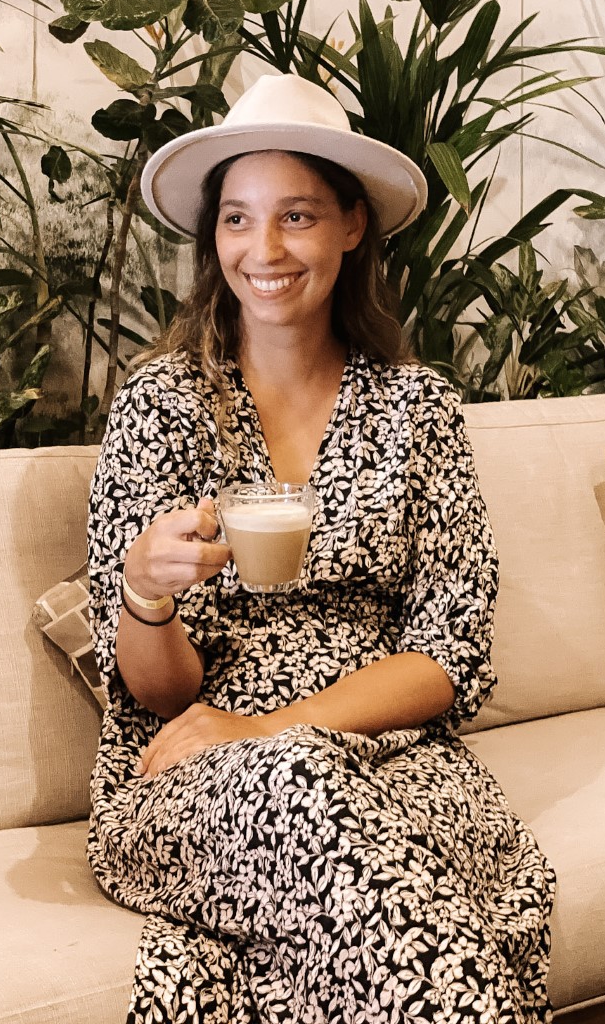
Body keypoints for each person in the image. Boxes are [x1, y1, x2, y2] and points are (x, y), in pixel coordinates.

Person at [85, 74, 556, 1023]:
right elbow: (163, 698)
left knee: (304, 911)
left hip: (389, 750)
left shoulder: (416, 411)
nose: (262, 251)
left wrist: (275, 729)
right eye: (237, 219)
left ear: (350, 225)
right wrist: (144, 595)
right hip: (194, 772)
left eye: (295, 216)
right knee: (346, 830)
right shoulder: (163, 406)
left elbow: (449, 657)